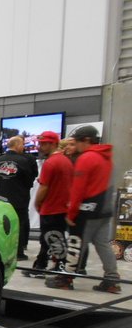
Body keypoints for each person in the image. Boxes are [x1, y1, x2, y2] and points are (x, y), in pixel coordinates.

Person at [46, 125, 121, 293]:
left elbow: (78, 189)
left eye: (77, 141)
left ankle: (65, 279)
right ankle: (112, 279)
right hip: (105, 210)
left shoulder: (86, 159)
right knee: (103, 245)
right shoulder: (108, 158)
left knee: (75, 244)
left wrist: (71, 213)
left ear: (87, 140)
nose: (76, 145)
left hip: (87, 211)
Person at [31, 131, 73, 277]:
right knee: (50, 238)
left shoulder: (51, 163)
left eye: (44, 144)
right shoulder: (66, 161)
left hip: (51, 208)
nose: (41, 147)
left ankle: (56, 268)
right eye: (41, 143)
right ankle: (41, 265)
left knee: (53, 238)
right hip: (61, 207)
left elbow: (44, 187)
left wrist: (37, 203)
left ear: (53, 143)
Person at [0, 135, 38, 260]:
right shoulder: (24, 161)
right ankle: (18, 252)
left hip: (1, 198)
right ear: (17, 145)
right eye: (22, 144)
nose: (23, 146)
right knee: (19, 224)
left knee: (3, 224)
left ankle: (3, 250)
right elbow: (29, 180)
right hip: (19, 199)